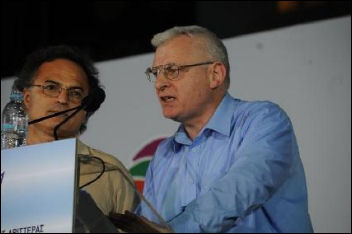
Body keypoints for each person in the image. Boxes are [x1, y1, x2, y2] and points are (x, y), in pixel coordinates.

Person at [116, 25, 314, 233]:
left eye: (172, 71)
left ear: (215, 74)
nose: (159, 84)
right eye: (155, 73)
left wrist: (173, 231)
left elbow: (239, 191)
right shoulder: (164, 154)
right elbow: (149, 224)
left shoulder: (263, 121)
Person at [13, 45, 139, 218]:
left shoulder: (110, 172)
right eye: (51, 87)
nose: (63, 99)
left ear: (86, 108)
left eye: (76, 93)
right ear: (27, 98)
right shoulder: (6, 165)